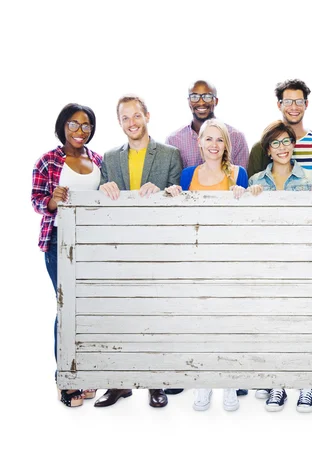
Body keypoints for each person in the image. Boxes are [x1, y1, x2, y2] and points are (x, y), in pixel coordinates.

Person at [95, 94, 182, 408]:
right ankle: (119, 384)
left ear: (147, 116)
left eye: (136, 116)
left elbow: (177, 198)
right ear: (119, 123)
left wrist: (161, 193)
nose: (131, 123)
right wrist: (103, 190)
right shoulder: (109, 158)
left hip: (158, 246)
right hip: (121, 248)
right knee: (120, 316)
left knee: (156, 316)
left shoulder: (171, 154)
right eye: (125, 118)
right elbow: (100, 205)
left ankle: (155, 384)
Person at [166, 119, 248, 411]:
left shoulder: (239, 174)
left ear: (227, 145)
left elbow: (247, 220)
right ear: (198, 143)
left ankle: (228, 383)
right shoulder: (188, 174)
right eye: (208, 139)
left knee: (228, 322)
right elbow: (181, 218)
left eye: (220, 140)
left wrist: (244, 195)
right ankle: (202, 383)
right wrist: (174, 195)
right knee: (200, 321)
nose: (214, 145)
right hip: (198, 255)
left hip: (229, 256)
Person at [246, 120, 312, 412]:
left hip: (302, 260)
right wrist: (249, 198)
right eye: (275, 143)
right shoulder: (256, 181)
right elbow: (249, 229)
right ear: (268, 150)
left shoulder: (310, 179)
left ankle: (305, 384)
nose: (282, 148)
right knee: (273, 324)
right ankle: (277, 384)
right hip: (269, 262)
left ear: (294, 146)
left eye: (287, 142)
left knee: (304, 323)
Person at [31, 103, 102, 407]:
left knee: (88, 311)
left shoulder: (98, 159)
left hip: (93, 243)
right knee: (66, 308)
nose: (79, 131)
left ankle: (85, 373)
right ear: (62, 126)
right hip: (59, 242)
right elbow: (36, 201)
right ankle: (65, 378)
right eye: (73, 124)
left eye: (86, 126)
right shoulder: (48, 161)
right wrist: (52, 200)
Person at [246, 79, 312, 177]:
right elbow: (252, 187)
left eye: (299, 102)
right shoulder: (260, 148)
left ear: (306, 104)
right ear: (279, 105)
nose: (294, 107)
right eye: (288, 102)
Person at [166, 79, 250, 169]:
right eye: (194, 97)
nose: (201, 102)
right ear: (189, 101)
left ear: (216, 101)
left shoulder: (236, 137)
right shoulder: (173, 140)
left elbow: (242, 178)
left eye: (207, 97)